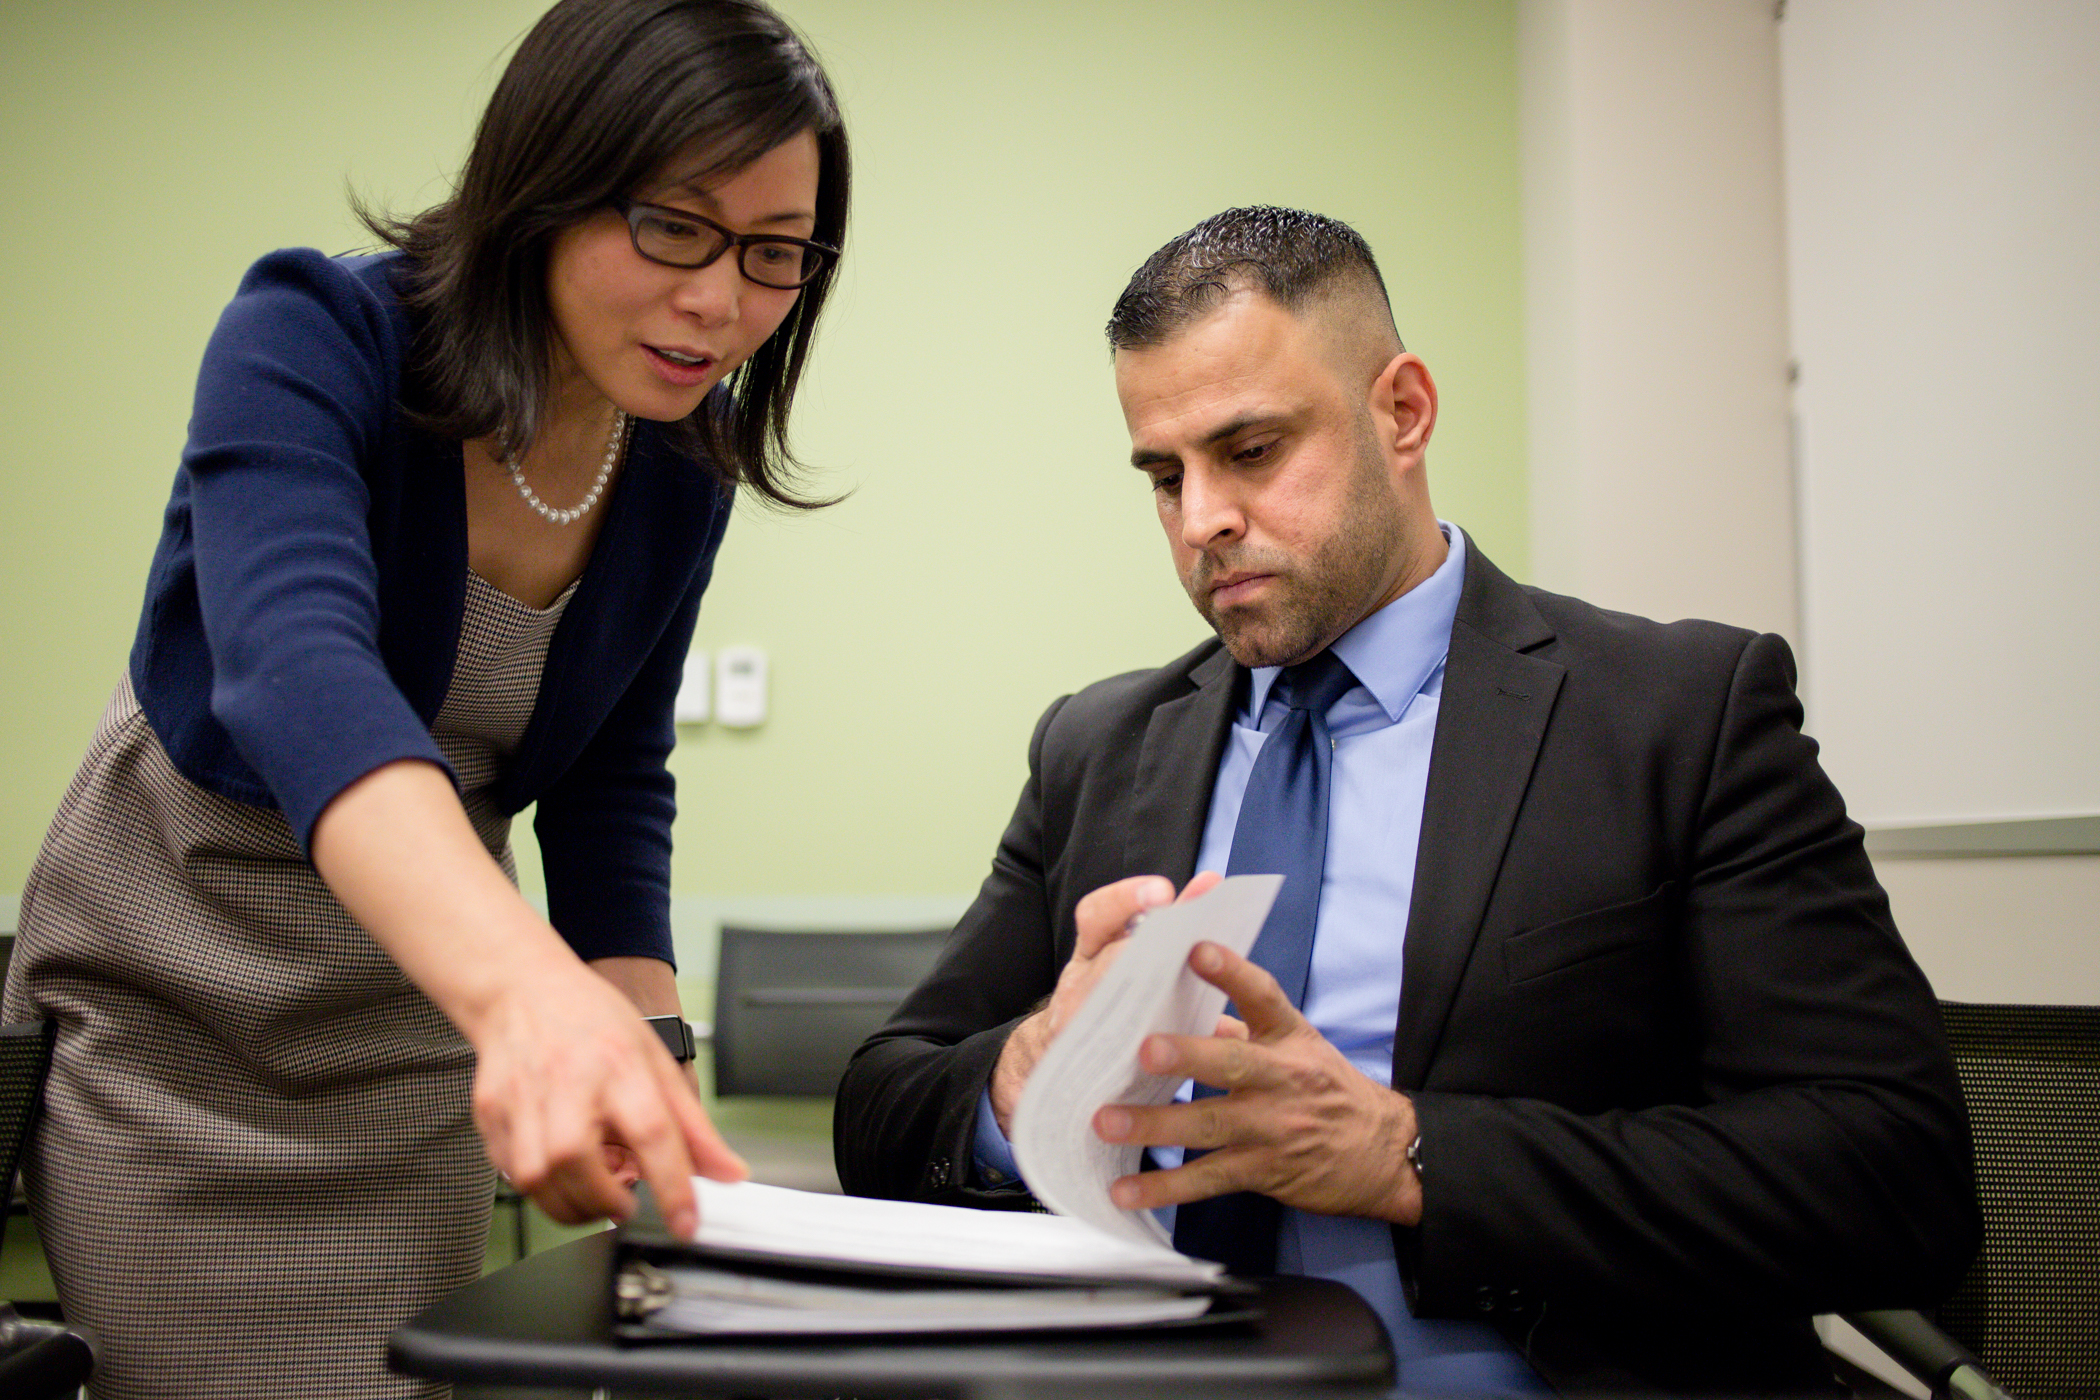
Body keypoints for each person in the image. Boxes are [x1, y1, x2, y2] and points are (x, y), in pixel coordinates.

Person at [834, 207, 1979, 1395]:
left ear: (1404, 411)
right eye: (1165, 475)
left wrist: (1408, 1152)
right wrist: (1021, 1075)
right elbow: (882, 1101)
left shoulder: (1678, 717)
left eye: (1253, 451)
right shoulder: (1098, 745)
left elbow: (1894, 1180)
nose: (1201, 520)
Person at [0, 2, 849, 1395]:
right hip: (178, 1019)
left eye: (776, 254)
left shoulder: (675, 472)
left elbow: (611, 788)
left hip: (412, 1034)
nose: (723, 301)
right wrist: (526, 997)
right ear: (551, 182)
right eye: (676, 229)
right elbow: (296, 672)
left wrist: (657, 1099)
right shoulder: (313, 334)